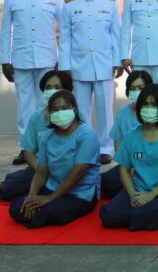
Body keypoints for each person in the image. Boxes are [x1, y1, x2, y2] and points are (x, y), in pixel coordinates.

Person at [0, 0, 64, 165]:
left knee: (46, 103)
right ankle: (26, 147)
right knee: (24, 105)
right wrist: (4, 60)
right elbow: (5, 30)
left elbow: (66, 30)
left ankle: (48, 145)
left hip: (47, 58)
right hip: (21, 59)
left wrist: (62, 60)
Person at [100, 83, 158, 231]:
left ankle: (141, 215)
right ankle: (137, 215)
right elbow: (124, 169)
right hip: (137, 190)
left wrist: (151, 194)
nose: (149, 108)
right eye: (145, 104)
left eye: (154, 105)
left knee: (145, 214)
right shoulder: (131, 135)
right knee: (108, 216)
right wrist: (132, 194)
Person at [60, 0, 122, 163]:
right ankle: (84, 145)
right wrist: (65, 66)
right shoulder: (70, 6)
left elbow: (116, 35)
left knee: (105, 111)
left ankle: (106, 148)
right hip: (79, 66)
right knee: (81, 110)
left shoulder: (110, 4)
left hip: (104, 65)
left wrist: (117, 61)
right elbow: (65, 38)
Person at [9, 90, 100, 228]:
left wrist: (50, 198)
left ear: (74, 109)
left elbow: (78, 174)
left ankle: (39, 215)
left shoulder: (87, 135)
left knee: (51, 212)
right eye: (55, 109)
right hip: (53, 186)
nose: (60, 112)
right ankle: (37, 214)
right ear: (50, 113)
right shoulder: (48, 136)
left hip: (80, 193)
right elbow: (41, 171)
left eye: (65, 108)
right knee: (17, 207)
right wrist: (32, 195)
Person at [0, 70, 72, 201]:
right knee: (7, 188)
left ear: (67, 91)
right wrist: (41, 170)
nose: (52, 91)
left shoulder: (76, 115)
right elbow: (28, 152)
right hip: (43, 169)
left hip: (69, 169)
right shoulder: (37, 117)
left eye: (57, 87)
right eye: (48, 87)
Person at [101, 70, 153, 199]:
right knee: (104, 183)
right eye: (132, 88)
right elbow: (118, 143)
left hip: (152, 165)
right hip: (129, 165)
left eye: (140, 88)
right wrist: (126, 165)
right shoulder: (123, 112)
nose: (136, 92)